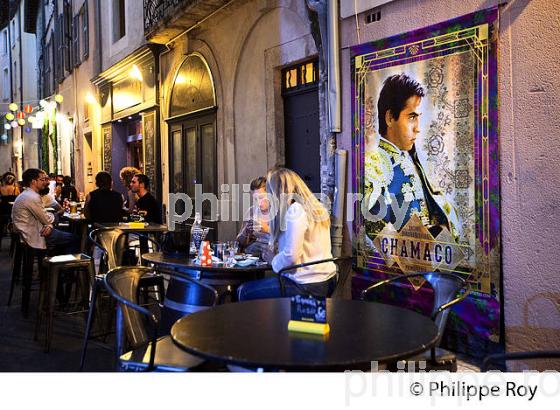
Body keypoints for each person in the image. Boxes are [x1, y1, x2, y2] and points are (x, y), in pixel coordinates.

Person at [365, 73, 461, 240]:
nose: (417, 128)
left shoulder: (413, 159)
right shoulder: (373, 165)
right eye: (411, 117)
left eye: (418, 118)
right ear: (389, 118)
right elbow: (375, 229)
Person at [237, 167, 337, 300]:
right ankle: (279, 319)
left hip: (307, 284)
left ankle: (271, 320)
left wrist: (273, 260)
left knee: (243, 291)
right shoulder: (315, 206)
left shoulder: (295, 211)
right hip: (328, 279)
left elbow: (291, 256)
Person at [11, 168, 79, 255]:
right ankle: (65, 267)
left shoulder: (27, 195)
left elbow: (44, 218)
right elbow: (47, 219)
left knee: (62, 232)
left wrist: (49, 225)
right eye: (42, 179)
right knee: (75, 238)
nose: (45, 182)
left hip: (31, 230)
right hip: (33, 234)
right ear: (33, 182)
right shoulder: (32, 197)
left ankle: (54, 264)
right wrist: (54, 217)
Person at [236, 176, 270, 256]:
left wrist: (267, 229)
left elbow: (288, 240)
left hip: (274, 249)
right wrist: (246, 232)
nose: (258, 203)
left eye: (261, 198)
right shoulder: (252, 211)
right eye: (255, 199)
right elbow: (240, 243)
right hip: (256, 249)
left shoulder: (279, 212)